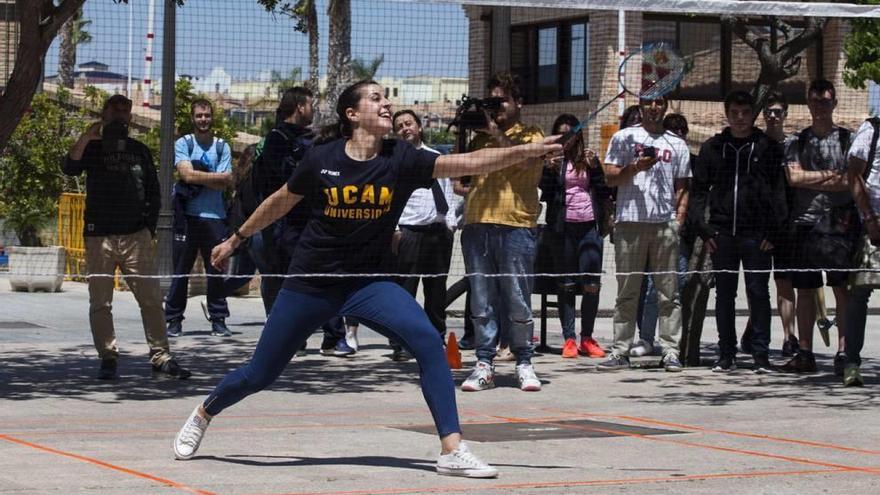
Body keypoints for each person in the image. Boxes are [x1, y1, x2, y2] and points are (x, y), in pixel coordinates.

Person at [171, 80, 561, 476]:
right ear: (352, 114)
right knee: (260, 373)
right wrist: (235, 239)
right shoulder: (321, 159)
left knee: (427, 341)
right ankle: (205, 412)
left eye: (387, 98)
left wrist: (526, 150)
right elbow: (280, 201)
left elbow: (468, 163)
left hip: (367, 284)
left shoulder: (401, 158)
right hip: (311, 283)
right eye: (376, 98)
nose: (387, 104)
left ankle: (452, 449)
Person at [62, 94, 191, 380]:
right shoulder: (93, 149)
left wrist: (148, 228)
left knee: (150, 299)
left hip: (136, 237)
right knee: (100, 303)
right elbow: (69, 167)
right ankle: (107, 357)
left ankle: (161, 356)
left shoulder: (139, 150)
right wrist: (87, 135)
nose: (121, 114)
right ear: (104, 113)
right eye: (115, 109)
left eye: (125, 110)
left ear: (131, 117)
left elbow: (154, 192)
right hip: (99, 237)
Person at [459, 72, 546, 392]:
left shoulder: (532, 133)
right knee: (481, 300)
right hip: (477, 223)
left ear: (518, 103)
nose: (496, 108)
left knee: (517, 298)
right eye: (491, 102)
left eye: (501, 101)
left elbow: (523, 162)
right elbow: (461, 180)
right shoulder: (479, 138)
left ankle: (524, 360)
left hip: (517, 226)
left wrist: (495, 131)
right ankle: (484, 362)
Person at [689, 91, 787, 374]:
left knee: (758, 293)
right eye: (735, 113)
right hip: (722, 236)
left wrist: (774, 232)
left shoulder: (767, 147)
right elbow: (698, 192)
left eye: (745, 112)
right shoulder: (713, 148)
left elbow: (780, 193)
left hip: (757, 236)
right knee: (725, 296)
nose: (740, 118)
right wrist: (705, 229)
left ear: (752, 114)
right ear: (727, 113)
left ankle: (760, 354)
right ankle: (726, 354)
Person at [253, 86, 352, 357]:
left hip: (310, 222)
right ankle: (292, 338)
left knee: (321, 277)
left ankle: (332, 337)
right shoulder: (277, 139)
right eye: (310, 104)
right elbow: (284, 180)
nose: (313, 109)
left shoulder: (310, 138)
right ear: (299, 107)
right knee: (288, 282)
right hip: (285, 225)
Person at [597, 95, 690, 372]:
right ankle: (620, 350)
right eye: (648, 102)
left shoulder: (677, 143)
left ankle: (671, 350)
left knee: (668, 294)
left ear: (665, 106)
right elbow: (610, 177)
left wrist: (678, 220)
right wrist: (635, 166)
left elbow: (683, 186)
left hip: (664, 225)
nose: (653, 108)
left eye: (659, 102)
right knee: (628, 292)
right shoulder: (624, 138)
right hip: (630, 223)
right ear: (640, 106)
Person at [780, 80, 853, 376]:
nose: (820, 107)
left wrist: (814, 177)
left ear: (834, 103)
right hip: (805, 223)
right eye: (815, 101)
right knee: (806, 290)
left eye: (825, 101)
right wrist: (829, 176)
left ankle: (844, 351)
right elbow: (793, 179)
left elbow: (849, 180)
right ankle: (805, 352)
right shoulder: (796, 141)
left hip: (839, 223)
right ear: (808, 104)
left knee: (842, 290)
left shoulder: (849, 140)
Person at [539, 114, 611, 359]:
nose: (565, 139)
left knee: (591, 283)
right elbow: (546, 195)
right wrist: (548, 171)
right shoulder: (553, 162)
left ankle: (587, 338)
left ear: (578, 135)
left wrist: (595, 169)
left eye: (570, 134)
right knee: (566, 283)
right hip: (563, 228)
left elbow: (603, 191)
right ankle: (569, 338)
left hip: (590, 226)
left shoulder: (589, 158)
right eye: (561, 135)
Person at [389, 109, 456, 361]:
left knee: (436, 292)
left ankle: (436, 340)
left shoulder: (437, 157)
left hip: (438, 234)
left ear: (419, 126)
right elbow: (391, 200)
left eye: (409, 123)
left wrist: (449, 223)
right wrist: (395, 230)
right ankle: (400, 342)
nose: (405, 128)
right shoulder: (394, 161)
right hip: (408, 233)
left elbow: (447, 189)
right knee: (404, 292)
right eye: (399, 126)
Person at [164, 99, 233, 338]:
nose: (203, 119)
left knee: (216, 271)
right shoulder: (184, 143)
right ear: (192, 118)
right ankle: (173, 320)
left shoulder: (222, 146)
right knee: (181, 271)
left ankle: (219, 320)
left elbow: (227, 180)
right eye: (199, 116)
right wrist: (211, 177)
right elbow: (185, 174)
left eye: (206, 115)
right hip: (187, 218)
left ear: (212, 117)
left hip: (215, 218)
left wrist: (196, 176)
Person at [843, 116, 880, 387]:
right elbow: (854, 174)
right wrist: (869, 218)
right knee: (859, 294)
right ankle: (852, 363)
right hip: (873, 227)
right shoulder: (872, 129)